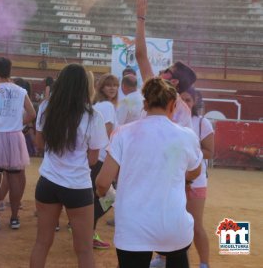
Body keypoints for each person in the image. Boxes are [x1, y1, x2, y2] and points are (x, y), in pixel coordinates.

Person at [96, 77, 203, 268]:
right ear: (172, 104)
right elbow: (195, 172)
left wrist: (110, 197)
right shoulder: (187, 135)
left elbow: (102, 183)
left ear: (145, 104)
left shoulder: (122, 133)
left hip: (132, 228)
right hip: (173, 226)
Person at [30, 63, 108, 268]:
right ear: (85, 86)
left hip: (47, 182)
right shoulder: (93, 116)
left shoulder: (46, 108)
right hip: (78, 186)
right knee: (84, 250)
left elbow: (39, 144)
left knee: (41, 242)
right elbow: (93, 159)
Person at [0, 58, 36, 231]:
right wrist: (18, 123)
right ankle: (14, 218)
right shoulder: (21, 90)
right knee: (14, 178)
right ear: (10, 70)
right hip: (15, 137)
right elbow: (32, 113)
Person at [135, 0, 196, 128]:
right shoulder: (184, 112)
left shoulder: (154, 92)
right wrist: (140, 19)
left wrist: (141, 18)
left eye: (168, 70)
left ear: (174, 82)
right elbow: (140, 56)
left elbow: (141, 56)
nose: (162, 70)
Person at [177, 87, 214, 268]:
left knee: (196, 226)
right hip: (173, 180)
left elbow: (209, 152)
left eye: (188, 100)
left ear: (194, 102)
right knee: (170, 223)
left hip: (196, 181)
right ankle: (162, 258)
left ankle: (204, 264)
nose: (184, 103)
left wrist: (188, 148)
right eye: (181, 99)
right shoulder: (171, 120)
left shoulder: (202, 123)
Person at [90, 73, 120, 249]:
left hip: (96, 156)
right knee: (109, 197)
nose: (112, 88)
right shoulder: (108, 106)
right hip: (103, 158)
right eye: (108, 85)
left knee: (96, 197)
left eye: (115, 85)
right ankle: (87, 228)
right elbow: (108, 133)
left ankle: (88, 231)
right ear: (101, 88)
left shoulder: (98, 105)